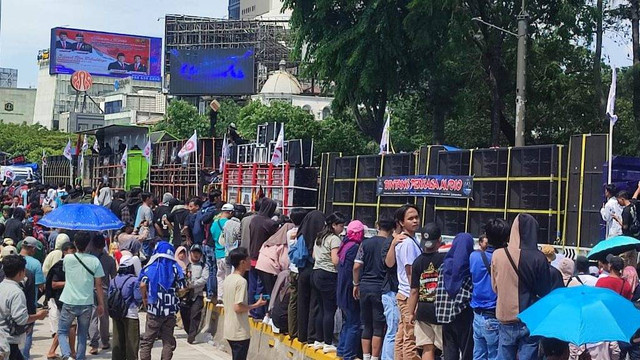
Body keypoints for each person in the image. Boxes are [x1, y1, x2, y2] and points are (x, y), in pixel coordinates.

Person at [491, 213, 552, 360]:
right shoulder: (539, 257)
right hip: (530, 318)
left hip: (506, 317)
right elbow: (545, 290)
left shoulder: (498, 255)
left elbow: (495, 287)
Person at [58, 231, 106, 360]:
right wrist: (101, 304)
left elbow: (66, 272)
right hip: (86, 301)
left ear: (75, 243)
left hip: (69, 300)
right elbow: (99, 285)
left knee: (62, 331)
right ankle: (79, 357)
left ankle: (67, 355)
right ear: (88, 244)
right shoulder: (95, 260)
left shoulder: (67, 259)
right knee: (83, 334)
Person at [353, 218, 394, 360]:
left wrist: (355, 284)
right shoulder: (390, 245)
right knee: (378, 326)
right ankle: (375, 357)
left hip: (364, 287)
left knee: (366, 324)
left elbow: (357, 266)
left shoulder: (365, 243)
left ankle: (365, 356)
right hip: (381, 288)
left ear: (377, 226)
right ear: (393, 229)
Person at [139, 241, 186, 360]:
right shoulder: (176, 267)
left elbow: (142, 284)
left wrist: (145, 299)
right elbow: (182, 288)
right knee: (167, 341)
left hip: (154, 308)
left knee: (148, 341)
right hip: (169, 311)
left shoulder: (150, 267)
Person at [469, 219, 509, 360]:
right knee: (495, 355)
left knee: (478, 354)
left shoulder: (474, 257)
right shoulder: (504, 259)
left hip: (477, 314)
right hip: (493, 314)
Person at [388, 204, 422, 360]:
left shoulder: (404, 240)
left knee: (402, 333)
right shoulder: (407, 243)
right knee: (410, 337)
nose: (415, 221)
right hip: (409, 295)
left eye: (416, 217)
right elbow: (410, 274)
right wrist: (416, 299)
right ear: (401, 222)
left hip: (403, 293)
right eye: (410, 218)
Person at [407, 223, 445, 360]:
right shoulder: (444, 259)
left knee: (427, 347)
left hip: (423, 310)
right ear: (439, 240)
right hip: (440, 310)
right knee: (444, 348)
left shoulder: (417, 262)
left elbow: (414, 291)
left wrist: (410, 313)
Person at [435, 233, 475, 360]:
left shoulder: (443, 266)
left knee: (449, 350)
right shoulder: (469, 267)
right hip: (464, 314)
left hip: (445, 315)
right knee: (467, 350)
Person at [311, 212, 346, 353]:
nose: (342, 229)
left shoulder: (320, 237)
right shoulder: (334, 239)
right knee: (329, 311)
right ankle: (327, 342)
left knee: (321, 309)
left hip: (316, 273)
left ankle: (318, 340)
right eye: (341, 226)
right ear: (334, 225)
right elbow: (335, 261)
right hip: (328, 275)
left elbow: (314, 255)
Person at [0, 255, 48, 360]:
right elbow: (21, 319)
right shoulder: (16, 292)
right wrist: (38, 316)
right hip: (9, 340)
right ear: (20, 272)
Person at [223, 247, 267, 360]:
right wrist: (256, 305)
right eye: (248, 259)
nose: (249, 262)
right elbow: (238, 307)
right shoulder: (241, 282)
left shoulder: (228, 279)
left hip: (229, 329)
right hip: (239, 332)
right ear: (242, 262)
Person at [295, 210, 324, 345]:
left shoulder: (301, 235)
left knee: (302, 302)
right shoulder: (321, 238)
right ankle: (312, 336)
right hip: (315, 271)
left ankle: (302, 334)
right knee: (314, 304)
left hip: (302, 271)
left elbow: (298, 256)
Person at [44, 242, 77, 360]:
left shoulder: (72, 265)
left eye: (74, 252)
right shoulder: (59, 266)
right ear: (64, 252)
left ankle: (54, 351)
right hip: (61, 300)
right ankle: (71, 352)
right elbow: (54, 284)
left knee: (66, 326)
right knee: (70, 326)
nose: (73, 254)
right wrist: (70, 283)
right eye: (71, 252)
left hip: (66, 299)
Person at [337, 220, 364, 360]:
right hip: (349, 289)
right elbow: (355, 268)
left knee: (347, 322)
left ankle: (341, 350)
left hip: (341, 289)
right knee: (354, 322)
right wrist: (356, 284)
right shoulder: (355, 247)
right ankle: (349, 354)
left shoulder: (345, 244)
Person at [248, 198, 278, 319]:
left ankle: (251, 308)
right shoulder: (270, 223)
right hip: (263, 257)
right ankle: (258, 310)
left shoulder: (254, 220)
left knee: (253, 284)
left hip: (252, 256)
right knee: (261, 287)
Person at [108, 255, 142, 360]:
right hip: (131, 314)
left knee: (117, 341)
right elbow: (138, 298)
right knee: (132, 343)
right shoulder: (134, 280)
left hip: (116, 313)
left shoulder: (113, 280)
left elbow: (109, 296)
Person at [88, 234, 117, 355]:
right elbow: (114, 277)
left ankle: (94, 344)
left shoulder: (88, 258)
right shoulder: (109, 259)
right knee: (104, 317)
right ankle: (105, 342)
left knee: (92, 317)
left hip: (89, 290)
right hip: (104, 290)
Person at [19, 237, 45, 360]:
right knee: (28, 333)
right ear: (32, 249)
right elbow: (40, 285)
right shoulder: (35, 264)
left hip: (11, 303)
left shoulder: (11, 260)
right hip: (29, 303)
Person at [180, 244, 209, 344]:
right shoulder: (187, 266)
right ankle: (189, 331)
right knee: (184, 314)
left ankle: (192, 335)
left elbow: (204, 279)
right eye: (194, 252)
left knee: (195, 314)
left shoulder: (204, 266)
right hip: (186, 295)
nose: (196, 255)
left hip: (198, 294)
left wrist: (192, 285)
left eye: (198, 253)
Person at [285, 208, 306, 338]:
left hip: (292, 268)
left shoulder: (289, 232)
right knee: (299, 301)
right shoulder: (301, 233)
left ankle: (292, 329)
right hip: (299, 269)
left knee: (293, 301)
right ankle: (297, 329)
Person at [211, 203, 234, 302]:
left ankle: (220, 297)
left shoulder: (215, 223)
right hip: (227, 253)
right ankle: (228, 298)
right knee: (228, 277)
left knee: (219, 276)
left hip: (218, 253)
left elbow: (213, 236)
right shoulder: (230, 224)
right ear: (230, 212)